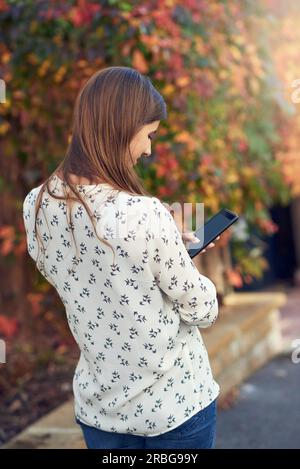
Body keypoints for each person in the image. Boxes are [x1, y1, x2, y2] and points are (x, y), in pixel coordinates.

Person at [22, 66, 220, 449]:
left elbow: (75, 274)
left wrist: (158, 251)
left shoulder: (37, 205)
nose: (148, 149)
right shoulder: (144, 215)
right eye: (148, 136)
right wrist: (171, 256)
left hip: (101, 412)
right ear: (122, 128)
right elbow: (202, 310)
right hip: (173, 409)